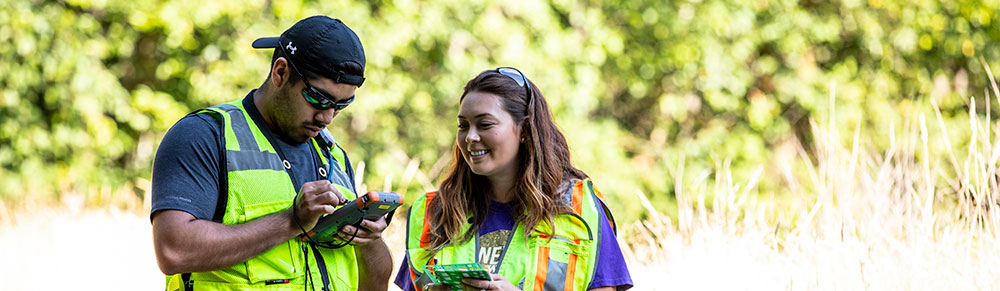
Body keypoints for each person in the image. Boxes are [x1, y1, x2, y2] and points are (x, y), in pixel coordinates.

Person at [150, 16, 392, 291]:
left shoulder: (332, 154)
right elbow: (173, 250)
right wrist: (290, 221)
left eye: (341, 105)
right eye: (317, 98)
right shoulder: (204, 135)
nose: (327, 117)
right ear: (280, 72)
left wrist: (369, 240)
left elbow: (375, 285)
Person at [395, 68, 633, 291]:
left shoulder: (579, 208)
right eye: (463, 126)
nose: (471, 137)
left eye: (485, 124)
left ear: (525, 130)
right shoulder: (433, 213)